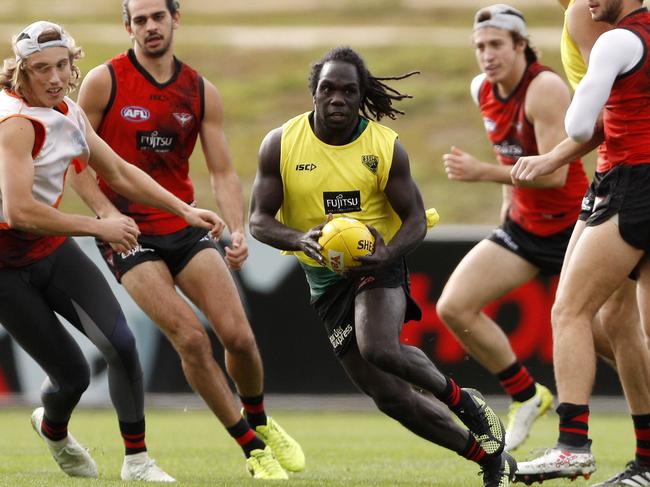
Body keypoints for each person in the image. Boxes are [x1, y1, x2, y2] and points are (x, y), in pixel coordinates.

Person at [249, 45, 517, 487]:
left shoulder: (384, 146)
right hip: (325, 279)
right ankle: (488, 458)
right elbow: (259, 219)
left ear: (361, 97)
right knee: (390, 396)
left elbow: (415, 219)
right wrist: (299, 238)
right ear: (313, 93)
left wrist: (388, 254)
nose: (337, 98)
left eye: (348, 91)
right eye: (328, 89)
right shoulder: (280, 144)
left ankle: (465, 403)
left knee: (379, 347)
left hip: (379, 262)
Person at [67, 0, 305, 480]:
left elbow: (221, 170)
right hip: (128, 233)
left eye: (158, 16)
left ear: (176, 18)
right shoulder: (103, 81)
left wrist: (237, 230)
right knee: (191, 338)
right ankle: (252, 450)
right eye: (140, 19)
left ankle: (259, 420)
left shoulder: (199, 91)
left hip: (184, 225)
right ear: (128, 26)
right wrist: (106, 213)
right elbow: (75, 160)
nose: (150, 27)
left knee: (238, 336)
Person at [0, 20, 226, 482]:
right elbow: (19, 210)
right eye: (41, 68)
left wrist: (185, 210)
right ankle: (53, 427)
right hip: (4, 266)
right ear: (21, 72)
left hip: (50, 249)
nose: (54, 77)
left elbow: (119, 171)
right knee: (75, 377)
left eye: (62, 65)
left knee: (121, 344)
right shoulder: (17, 124)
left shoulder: (68, 111)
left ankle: (137, 461)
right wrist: (100, 225)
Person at [435, 4, 588, 452]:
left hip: (575, 228)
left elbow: (555, 173)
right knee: (454, 306)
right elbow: (510, 156)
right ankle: (526, 394)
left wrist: (482, 173)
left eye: (497, 44)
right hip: (524, 228)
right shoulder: (482, 88)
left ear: (521, 45)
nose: (487, 54)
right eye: (480, 46)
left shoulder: (544, 88)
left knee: (604, 339)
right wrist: (506, 204)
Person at [511, 0, 650, 484]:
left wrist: (553, 153)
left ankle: (572, 444)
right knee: (621, 320)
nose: (585, 2)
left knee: (569, 310)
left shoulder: (614, 39)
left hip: (629, 182)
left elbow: (577, 124)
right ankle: (648, 464)